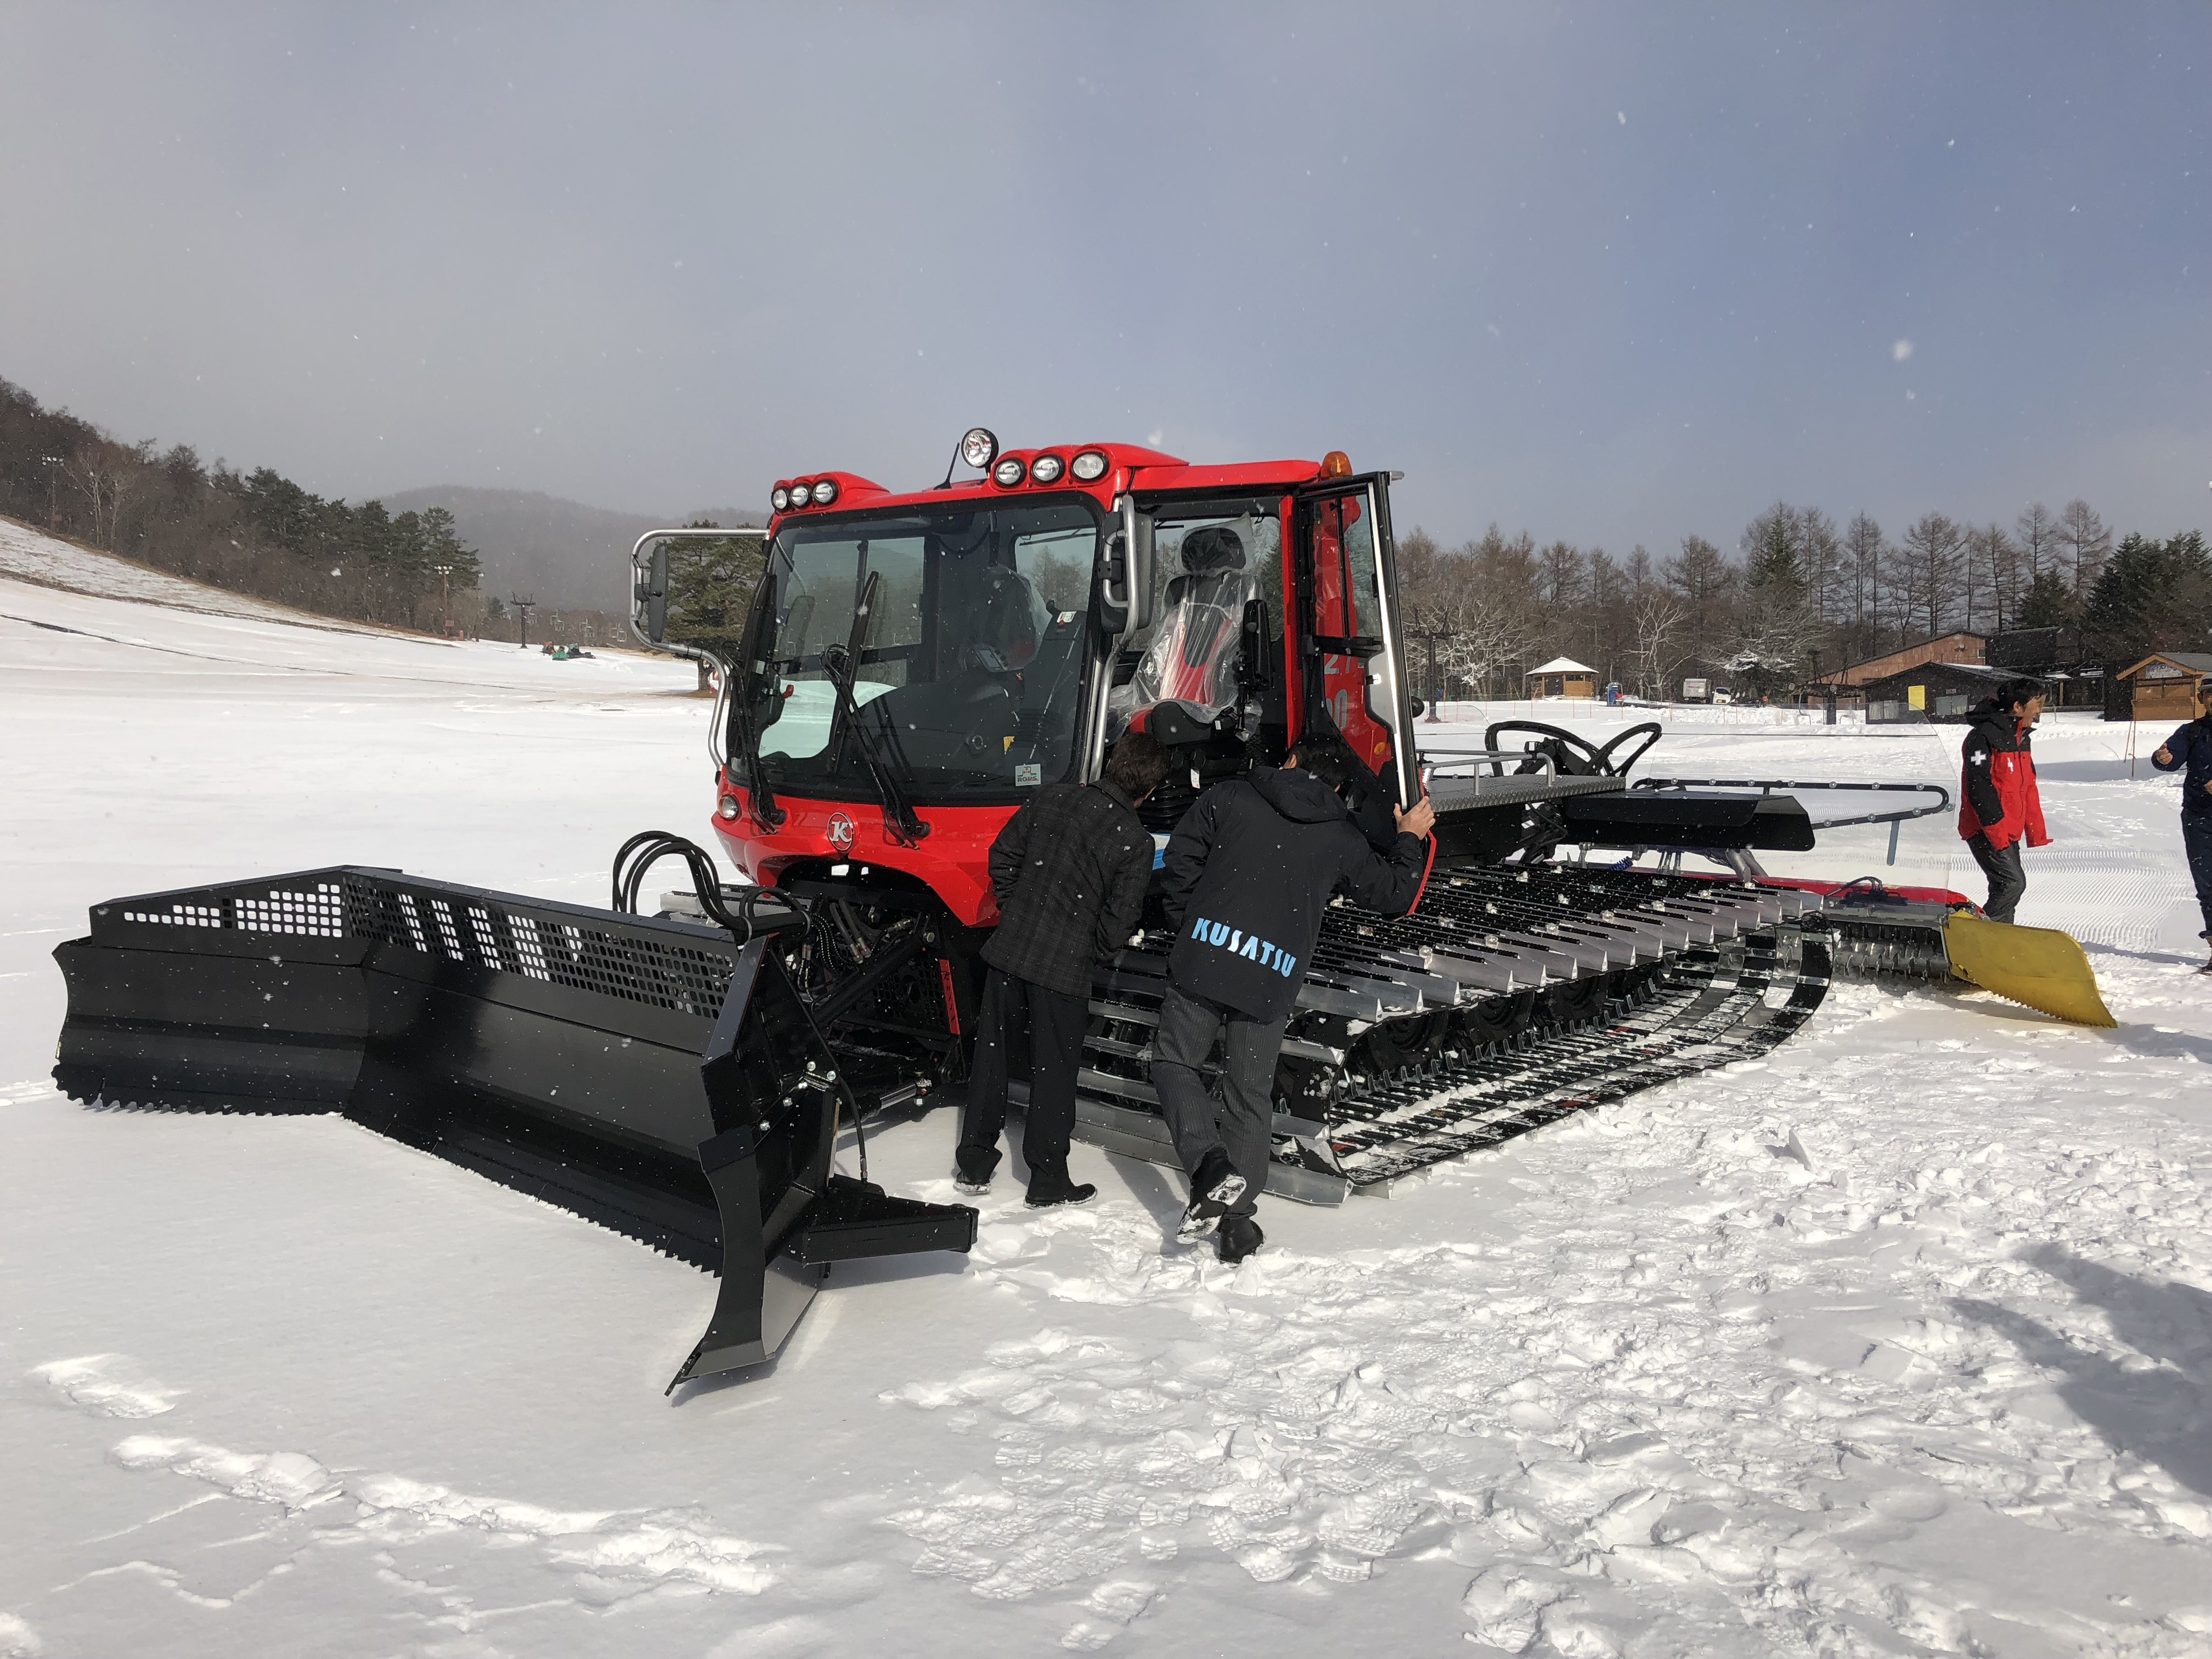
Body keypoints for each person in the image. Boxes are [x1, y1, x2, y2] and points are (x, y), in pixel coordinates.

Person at [1153, 735, 1437, 1262]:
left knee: (1174, 1061)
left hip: (1205, 960)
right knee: (1248, 1093)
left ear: (1289, 761)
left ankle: (1211, 1165)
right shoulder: (1341, 837)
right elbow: (1395, 896)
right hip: (1272, 977)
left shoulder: (1231, 796)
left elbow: (1182, 858)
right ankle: (1237, 1228)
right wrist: (1408, 837)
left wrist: (1190, 924)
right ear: (1338, 785)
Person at [956, 730, 1177, 1205]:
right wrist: (1090, 949)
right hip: (1064, 971)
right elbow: (1121, 921)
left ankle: (974, 1162)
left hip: (1010, 953)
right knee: (1054, 1072)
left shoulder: (1051, 798)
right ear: (1151, 790)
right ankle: (1047, 1177)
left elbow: (1004, 857)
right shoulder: (1134, 841)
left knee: (991, 1059)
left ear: (1113, 762)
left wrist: (1016, 911)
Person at [1957, 676, 2050, 924]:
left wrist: (2034, 830)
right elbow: (1979, 788)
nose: (2039, 711)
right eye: (2036, 704)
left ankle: (2001, 939)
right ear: (2018, 707)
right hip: (1985, 827)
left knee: (2004, 887)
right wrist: (1996, 830)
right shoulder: (1983, 737)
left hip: (2008, 828)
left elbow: (2028, 787)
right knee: (2012, 884)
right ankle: (1981, 936)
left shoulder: (2021, 738)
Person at [2150, 679, 2212, 972]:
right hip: (2200, 818)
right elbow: (2168, 759)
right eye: (2210, 695)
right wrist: (2162, 758)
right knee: (2208, 885)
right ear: (2202, 699)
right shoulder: (2193, 731)